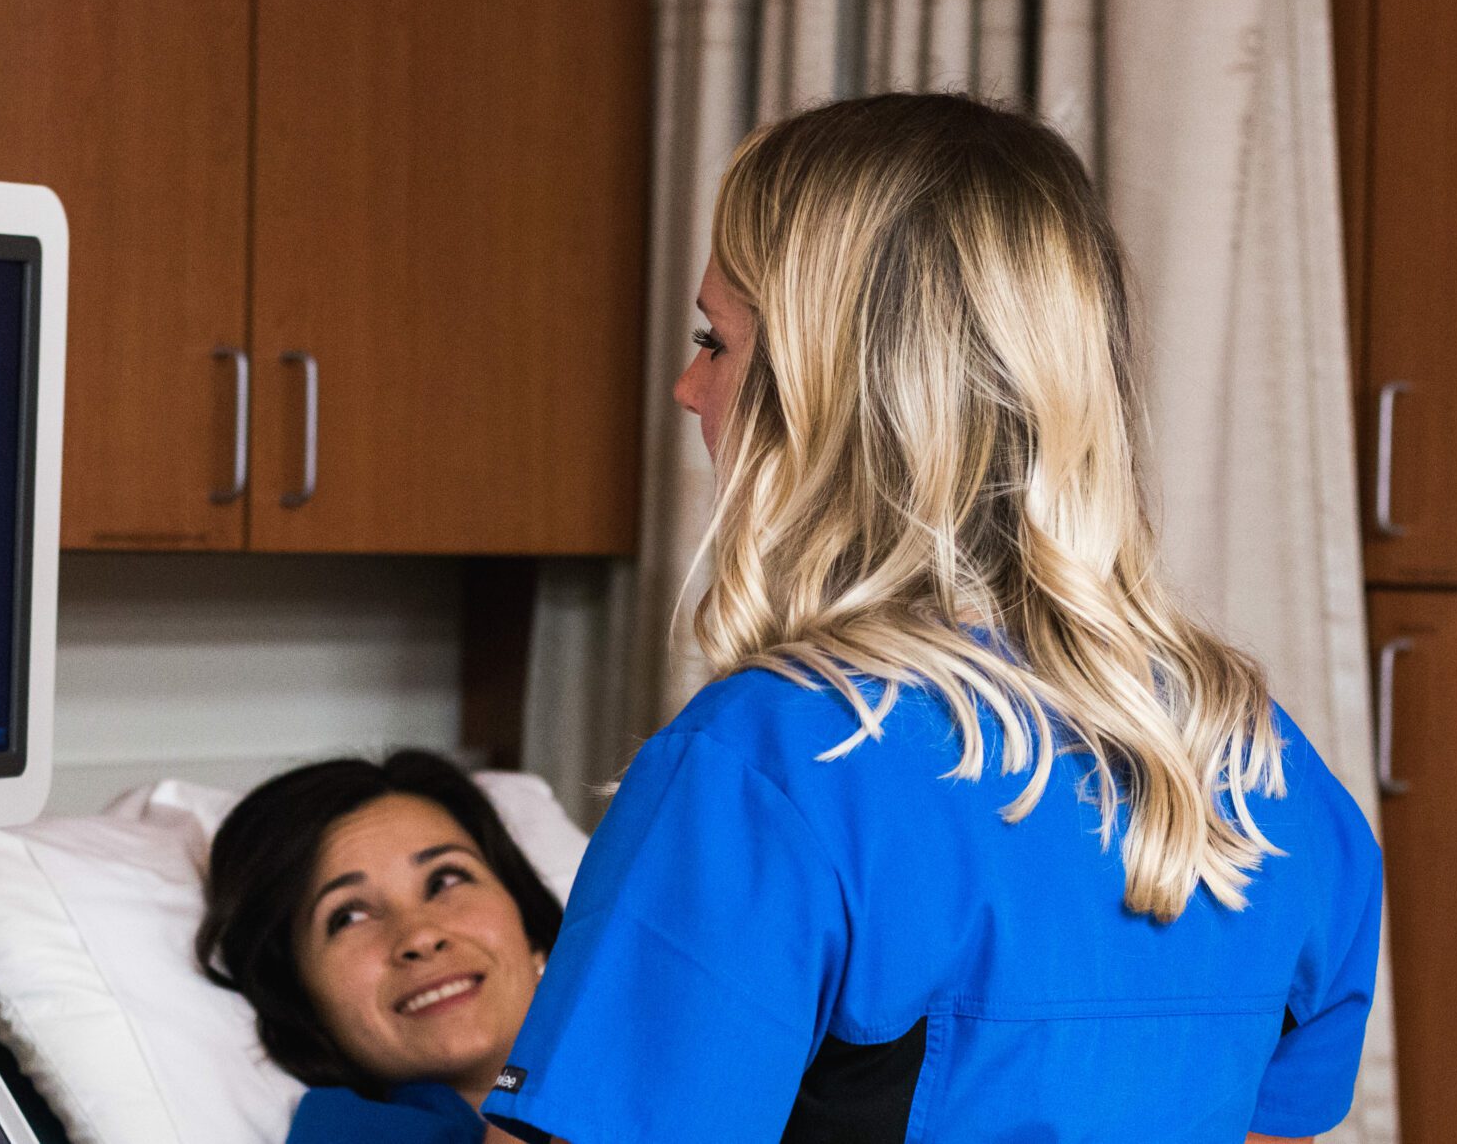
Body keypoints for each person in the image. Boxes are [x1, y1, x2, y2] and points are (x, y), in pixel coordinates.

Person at [478, 94, 1386, 1143]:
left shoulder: (768, 760)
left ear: (826, 390)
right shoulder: (1268, 770)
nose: (688, 388)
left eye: (713, 341)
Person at [197, 750, 559, 1144]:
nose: (420, 937)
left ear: (530, 931)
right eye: (350, 916)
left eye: (445, 881)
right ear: (303, 1000)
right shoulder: (347, 1130)